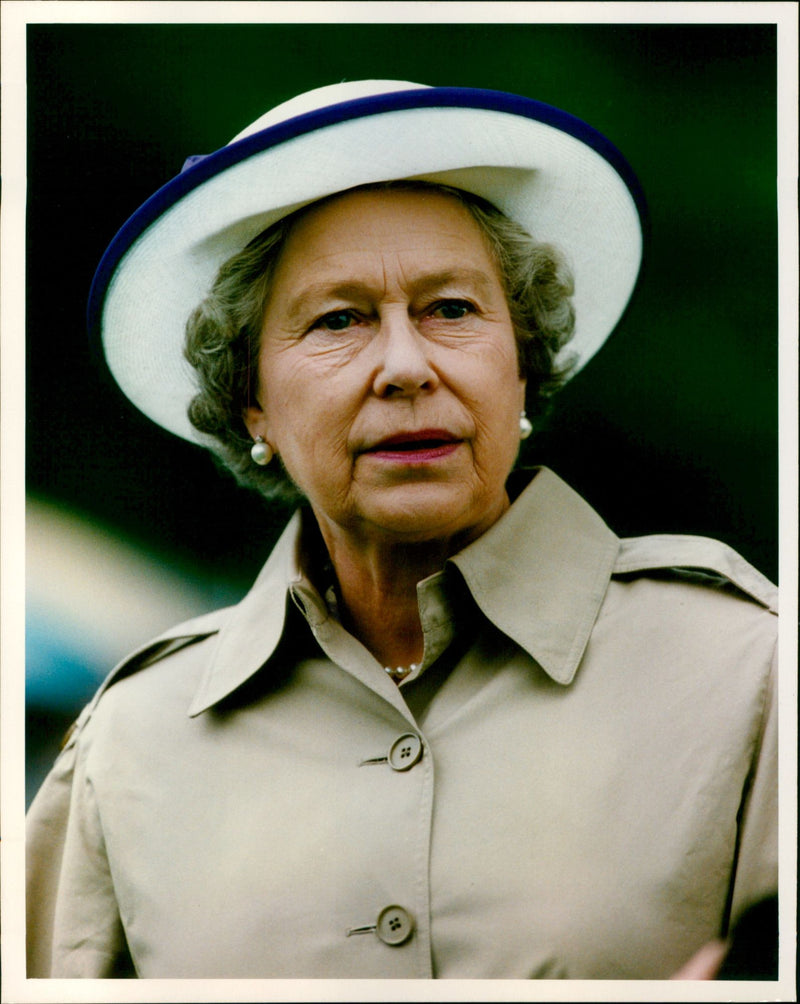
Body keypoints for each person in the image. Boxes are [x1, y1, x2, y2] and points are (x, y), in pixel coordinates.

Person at [26, 79, 778, 980]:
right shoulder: (134, 737)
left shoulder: (749, 670)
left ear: (524, 369)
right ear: (252, 402)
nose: (406, 366)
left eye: (451, 310)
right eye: (338, 320)